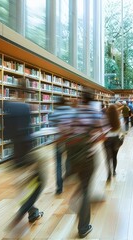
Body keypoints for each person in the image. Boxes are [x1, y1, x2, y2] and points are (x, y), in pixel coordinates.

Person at [57, 90, 107, 238]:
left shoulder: (72, 113)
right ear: (92, 101)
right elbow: (102, 135)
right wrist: (90, 140)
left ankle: (75, 193)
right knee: (86, 188)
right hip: (87, 156)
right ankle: (83, 226)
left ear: (80, 99)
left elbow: (62, 133)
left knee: (81, 181)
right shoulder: (94, 114)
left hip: (72, 156)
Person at [4, 101, 45, 225]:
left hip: (16, 154)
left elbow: (6, 134)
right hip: (27, 152)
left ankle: (32, 212)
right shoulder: (25, 107)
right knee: (39, 182)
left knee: (24, 185)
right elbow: (29, 131)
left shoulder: (9, 108)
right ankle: (24, 211)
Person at [49, 96, 74, 194]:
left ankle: (59, 187)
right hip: (70, 140)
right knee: (68, 159)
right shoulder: (72, 112)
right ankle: (67, 177)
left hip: (59, 140)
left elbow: (51, 126)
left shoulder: (54, 113)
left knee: (58, 163)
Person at [104, 104, 122, 181]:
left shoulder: (105, 119)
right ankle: (114, 171)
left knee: (108, 158)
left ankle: (109, 174)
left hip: (107, 139)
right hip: (116, 139)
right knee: (115, 156)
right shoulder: (119, 119)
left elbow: (103, 130)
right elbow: (122, 130)